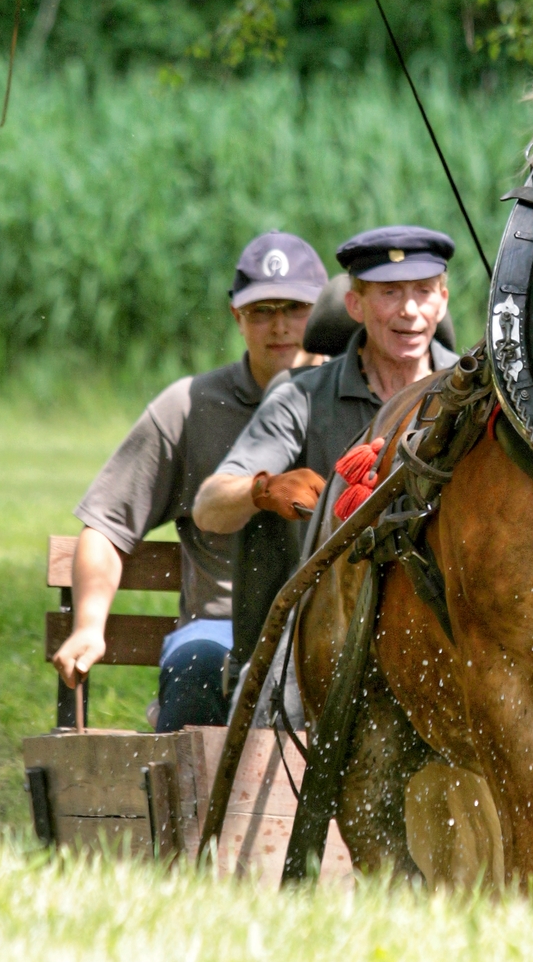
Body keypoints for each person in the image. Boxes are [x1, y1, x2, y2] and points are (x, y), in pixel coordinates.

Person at [51, 231, 328, 732]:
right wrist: (89, 627)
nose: (281, 326)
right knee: (198, 667)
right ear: (236, 317)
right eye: (262, 310)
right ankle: (194, 811)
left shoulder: (352, 394)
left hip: (332, 620)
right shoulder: (189, 406)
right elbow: (107, 527)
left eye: (296, 308)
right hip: (221, 629)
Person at [193, 224, 459, 537]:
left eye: (423, 291)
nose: (410, 310)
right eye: (390, 292)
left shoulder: (471, 394)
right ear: (354, 305)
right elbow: (208, 508)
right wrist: (264, 489)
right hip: (330, 582)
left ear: (442, 301)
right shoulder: (302, 397)